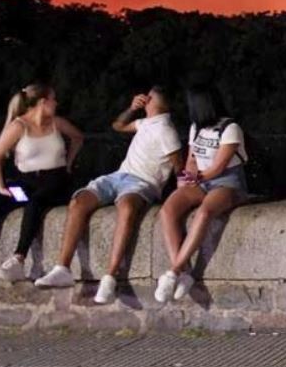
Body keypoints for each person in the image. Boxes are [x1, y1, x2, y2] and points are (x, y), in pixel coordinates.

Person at [35, 88, 183, 303]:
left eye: (149, 96)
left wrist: (177, 191)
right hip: (118, 176)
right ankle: (62, 268)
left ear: (156, 101)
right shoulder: (145, 123)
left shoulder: (166, 130)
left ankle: (110, 276)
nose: (145, 98)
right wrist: (131, 109)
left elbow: (178, 166)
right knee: (79, 202)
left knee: (127, 208)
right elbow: (118, 126)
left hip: (143, 182)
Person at [0, 84, 82, 286]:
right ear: (42, 102)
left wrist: (69, 163)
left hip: (55, 180)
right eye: (53, 99)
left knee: (35, 203)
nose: (56, 103)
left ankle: (18, 259)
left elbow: (78, 137)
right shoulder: (19, 126)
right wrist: (0, 186)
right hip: (27, 181)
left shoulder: (56, 122)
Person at [154, 86, 249, 303]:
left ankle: (173, 271)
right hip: (201, 180)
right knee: (168, 210)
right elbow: (192, 159)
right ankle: (184, 273)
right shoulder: (196, 127)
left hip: (227, 183)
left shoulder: (230, 128)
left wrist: (196, 178)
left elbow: (218, 167)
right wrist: (187, 177)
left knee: (204, 212)